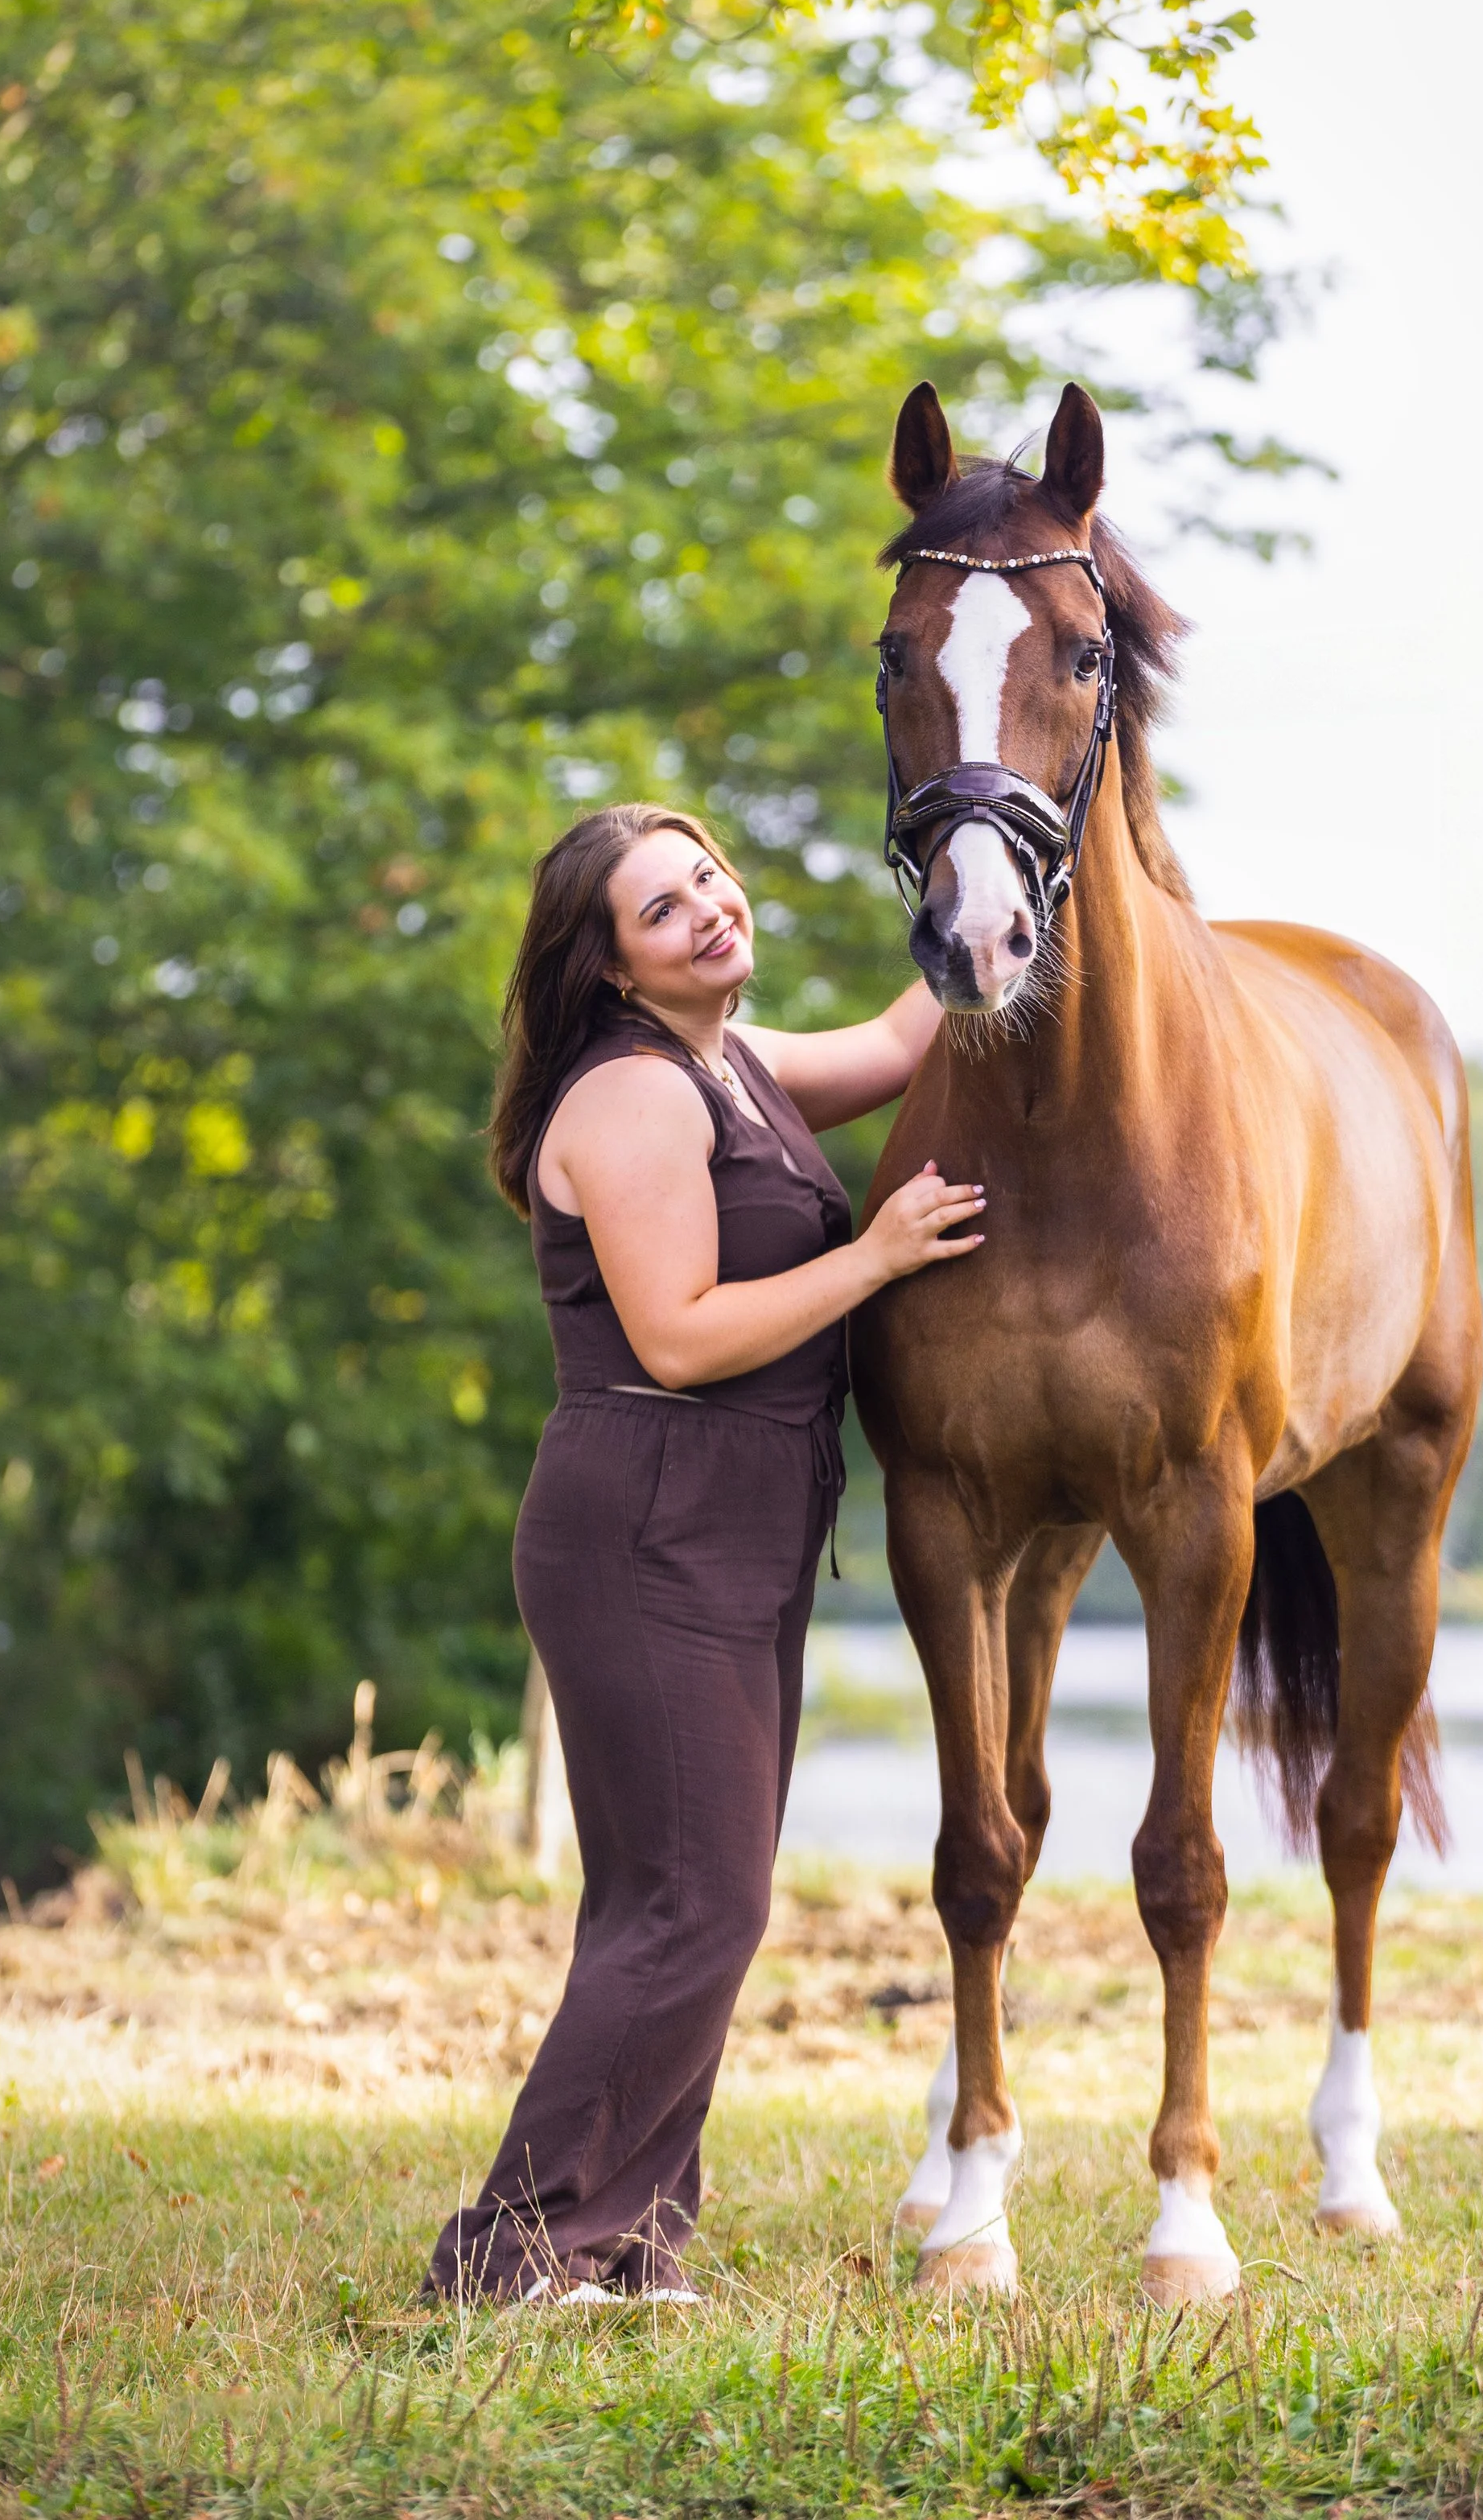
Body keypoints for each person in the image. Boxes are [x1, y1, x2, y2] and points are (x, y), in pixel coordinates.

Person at [425, 801, 980, 2305]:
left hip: (732, 1521)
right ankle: (513, 2257)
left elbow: (892, 1041)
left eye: (708, 878)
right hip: (648, 1518)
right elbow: (674, 1339)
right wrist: (872, 1259)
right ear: (611, 969)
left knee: (673, 1899)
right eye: (664, 909)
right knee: (699, 1903)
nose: (711, 912)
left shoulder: (730, 1061)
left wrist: (1005, 874)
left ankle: (623, 2242)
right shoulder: (632, 1099)